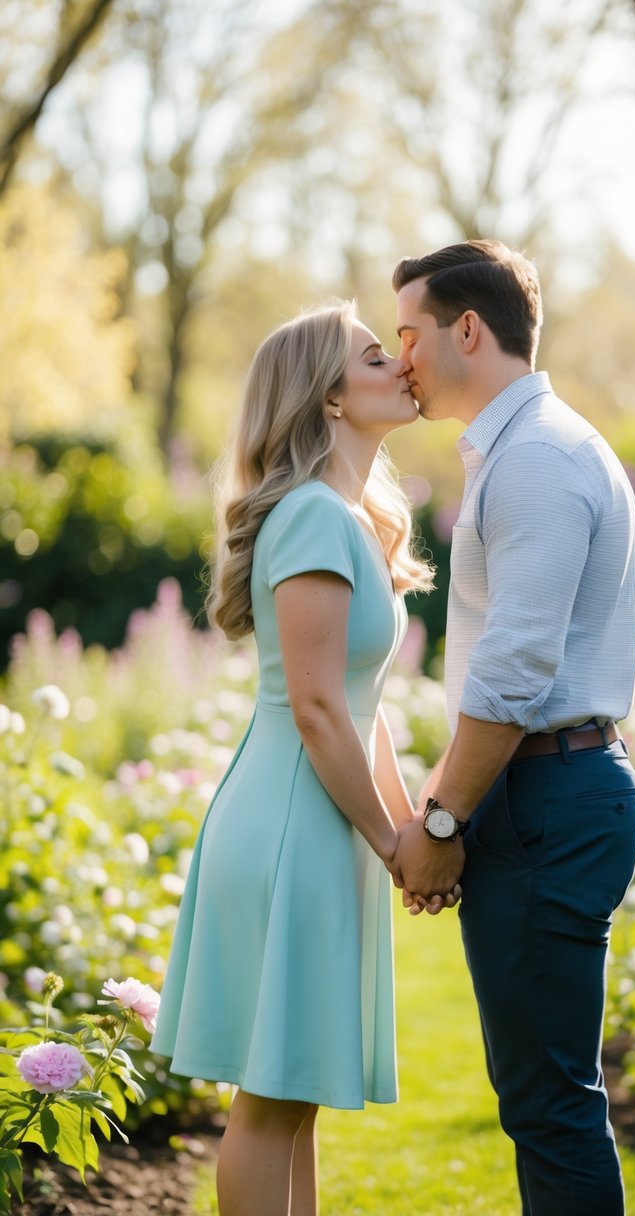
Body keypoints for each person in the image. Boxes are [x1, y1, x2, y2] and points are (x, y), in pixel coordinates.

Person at [151, 300, 440, 1216]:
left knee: (294, 1094)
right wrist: (393, 844)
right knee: (270, 1101)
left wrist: (399, 832)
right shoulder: (313, 516)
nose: (400, 362)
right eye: (372, 356)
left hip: (317, 819)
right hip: (288, 825)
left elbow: (366, 709)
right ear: (327, 401)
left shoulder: (349, 518)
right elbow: (317, 709)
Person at [391, 240, 635, 1216]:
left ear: (467, 328)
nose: (398, 355)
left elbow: (513, 671)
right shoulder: (529, 445)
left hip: (547, 794)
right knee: (543, 1097)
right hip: (540, 789)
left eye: (408, 332)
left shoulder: (536, 457)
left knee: (548, 1102)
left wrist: (444, 823)